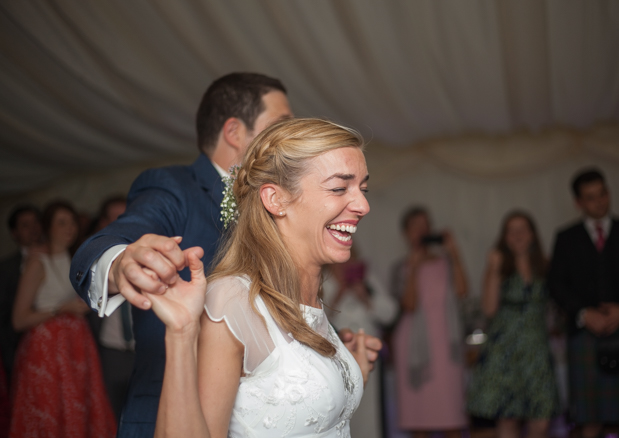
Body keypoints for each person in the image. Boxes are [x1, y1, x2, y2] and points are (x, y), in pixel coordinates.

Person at [70, 73, 381, 437]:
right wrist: (121, 262)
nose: (361, 204)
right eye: (281, 123)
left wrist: (329, 364)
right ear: (234, 132)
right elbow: (118, 238)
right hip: (168, 412)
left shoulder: (309, 276)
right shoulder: (176, 188)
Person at [147, 117, 371, 437]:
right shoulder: (232, 300)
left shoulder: (307, 295)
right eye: (339, 188)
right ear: (275, 199)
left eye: (363, 188)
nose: (363, 205)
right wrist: (181, 334)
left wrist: (347, 371)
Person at [10, 201, 115, 438]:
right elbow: (19, 319)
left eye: (72, 223)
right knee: (50, 408)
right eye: (62, 223)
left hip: (76, 343)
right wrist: (61, 310)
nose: (70, 228)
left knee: (77, 406)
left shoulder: (78, 259)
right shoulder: (38, 262)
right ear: (48, 227)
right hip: (47, 347)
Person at [467, 211, 560, 438]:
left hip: (536, 351)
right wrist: (494, 268)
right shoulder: (500, 265)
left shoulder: (545, 265)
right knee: (508, 418)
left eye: (523, 229)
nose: (518, 235)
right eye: (512, 230)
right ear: (505, 236)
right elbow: (488, 308)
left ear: (532, 234)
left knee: (542, 419)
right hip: (505, 352)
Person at [548, 168, 619, 438]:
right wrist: (582, 312)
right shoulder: (566, 238)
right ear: (578, 202)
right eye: (591, 197)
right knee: (590, 420)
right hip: (584, 334)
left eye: (603, 194)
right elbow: (556, 285)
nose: (599, 202)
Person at [390, 207, 468, 438]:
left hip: (446, 344)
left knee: (452, 414)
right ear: (406, 233)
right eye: (415, 226)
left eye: (425, 225)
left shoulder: (446, 261)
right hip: (413, 346)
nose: (422, 231)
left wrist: (454, 252)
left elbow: (463, 292)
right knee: (419, 419)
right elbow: (409, 305)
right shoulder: (400, 268)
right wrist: (414, 267)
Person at [322, 249, 398, 438]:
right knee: (343, 410)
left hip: (367, 354)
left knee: (370, 410)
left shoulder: (367, 278)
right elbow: (315, 318)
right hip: (337, 356)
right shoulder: (322, 279)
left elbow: (390, 313)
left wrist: (365, 296)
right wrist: (339, 293)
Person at [0, 205, 42, 384]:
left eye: (35, 223)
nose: (33, 229)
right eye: (25, 225)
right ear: (14, 233)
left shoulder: (60, 256)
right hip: (19, 350)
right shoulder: (6, 268)